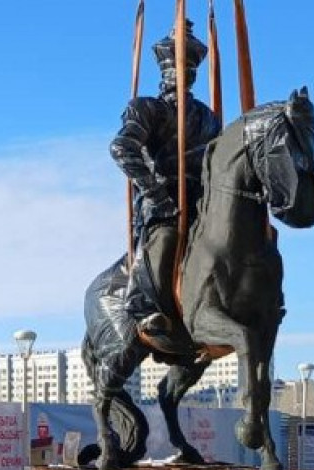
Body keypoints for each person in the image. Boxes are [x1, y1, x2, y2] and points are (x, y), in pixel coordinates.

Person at [109, 19, 222, 354]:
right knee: (166, 236)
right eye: (177, 65)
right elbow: (122, 147)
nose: (184, 73)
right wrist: (155, 193)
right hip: (162, 201)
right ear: (164, 69)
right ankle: (145, 305)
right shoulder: (147, 108)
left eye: (190, 67)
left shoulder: (208, 117)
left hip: (203, 201)